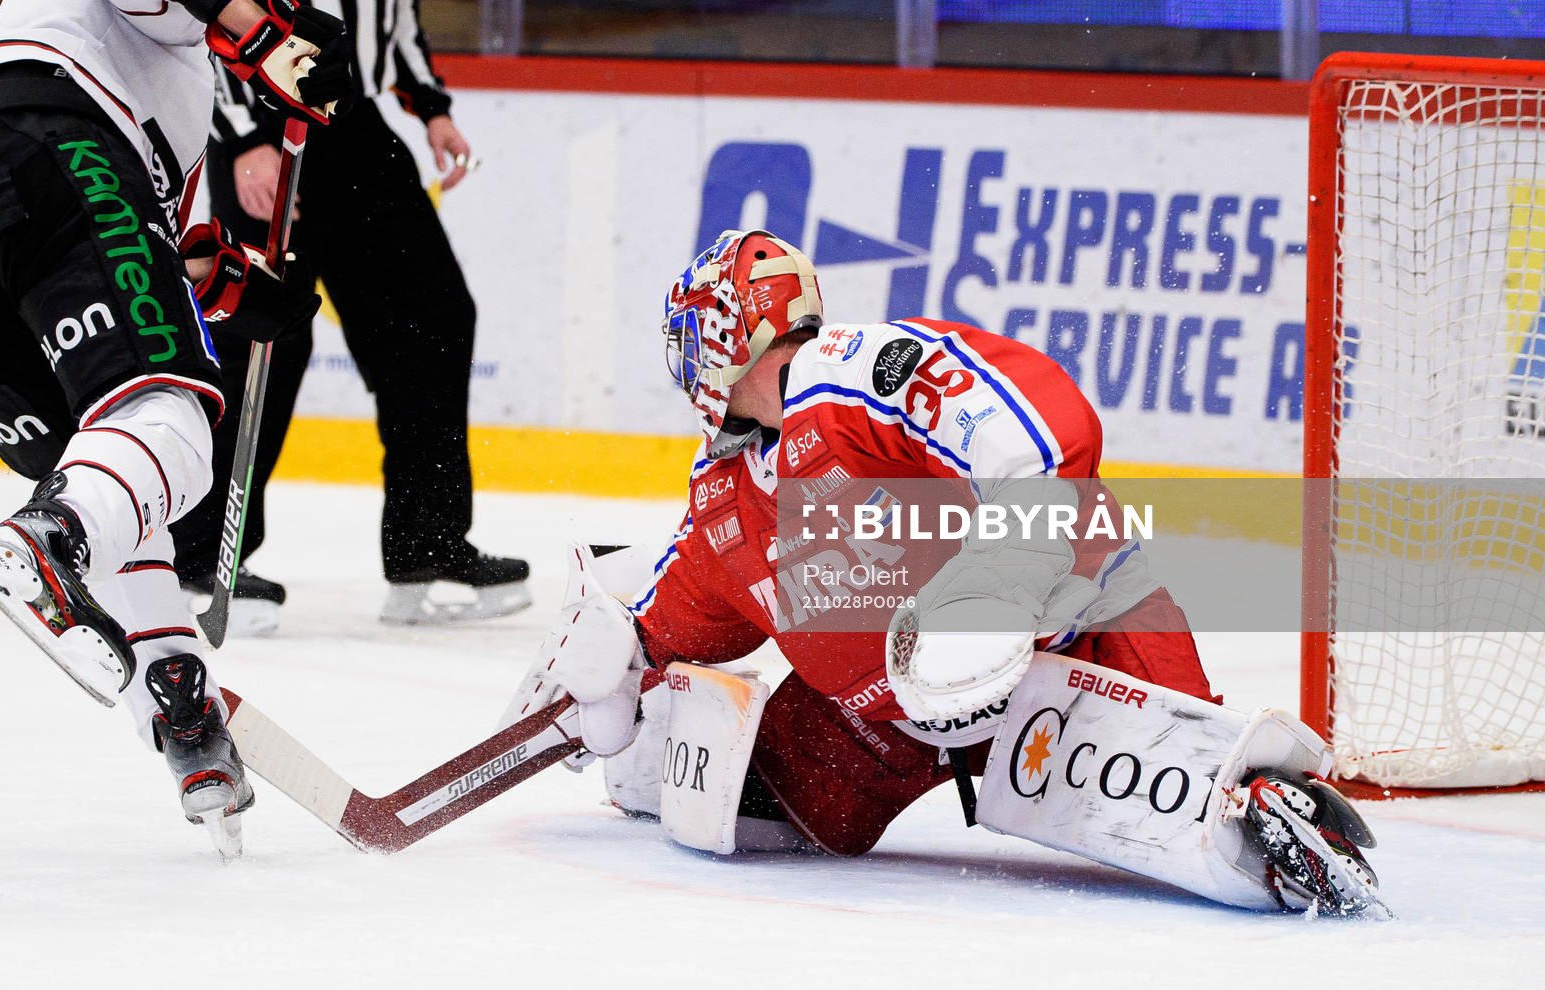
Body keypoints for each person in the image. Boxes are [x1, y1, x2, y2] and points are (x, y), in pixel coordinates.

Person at [502, 229, 1383, 914]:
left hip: (1072, 646)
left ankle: (1271, 806)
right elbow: (681, 614)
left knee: (1226, 817)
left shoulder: (856, 374)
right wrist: (619, 659)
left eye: (694, 339)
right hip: (882, 723)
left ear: (727, 333)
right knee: (739, 812)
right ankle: (655, 761)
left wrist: (1001, 579)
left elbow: (1046, 427)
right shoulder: (725, 493)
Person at [0, 0, 354, 855]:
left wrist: (230, 289)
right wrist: (272, 38)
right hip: (31, 130)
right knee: (170, 427)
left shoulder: (126, 50)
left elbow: (120, 255)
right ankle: (47, 544)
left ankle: (176, 698)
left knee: (115, 458)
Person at [174, 0, 527, 630]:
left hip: (360, 128)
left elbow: (396, 0)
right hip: (273, 136)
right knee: (264, 343)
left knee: (435, 315)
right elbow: (203, 2)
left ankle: (427, 548)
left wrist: (431, 101)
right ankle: (203, 560)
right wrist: (243, 133)